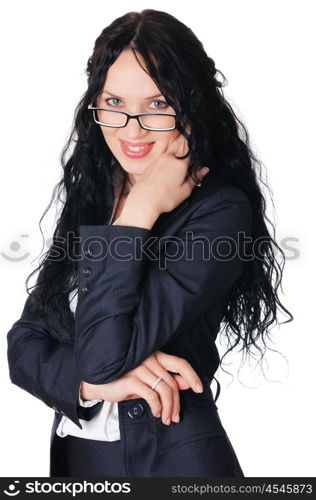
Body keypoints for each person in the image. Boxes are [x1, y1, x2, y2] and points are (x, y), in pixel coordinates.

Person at [6, 9, 293, 478]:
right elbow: (24, 345)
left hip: (171, 462)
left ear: (192, 103)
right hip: (84, 466)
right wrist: (92, 385)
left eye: (157, 104)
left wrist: (140, 212)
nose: (131, 128)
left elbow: (102, 359)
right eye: (114, 101)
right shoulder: (96, 194)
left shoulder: (220, 212)